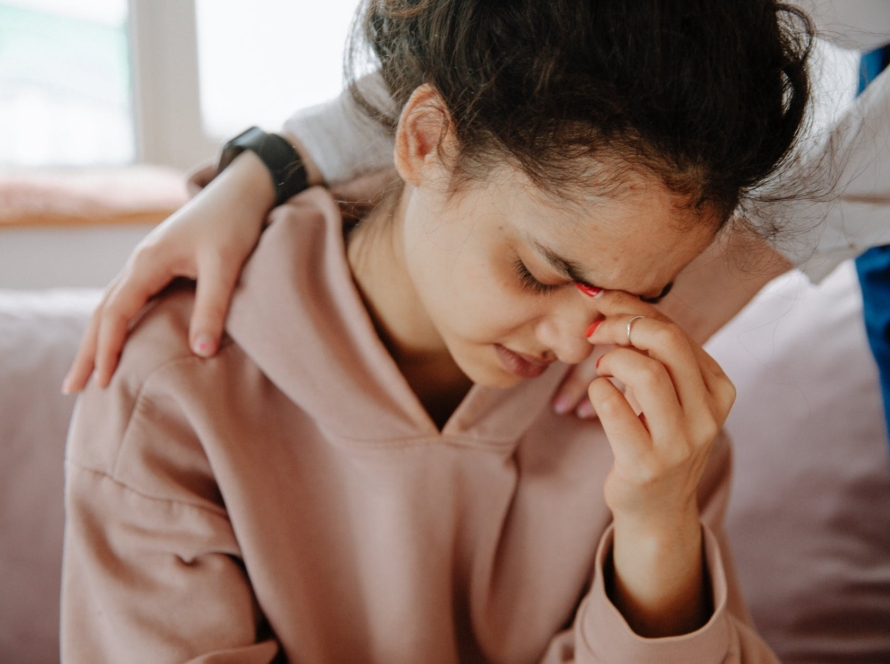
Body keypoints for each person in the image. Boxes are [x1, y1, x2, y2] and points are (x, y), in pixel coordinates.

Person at [62, 0, 810, 661]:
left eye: (645, 295)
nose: (575, 344)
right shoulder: (171, 386)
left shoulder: (654, 432)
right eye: (540, 272)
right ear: (425, 141)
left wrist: (658, 533)